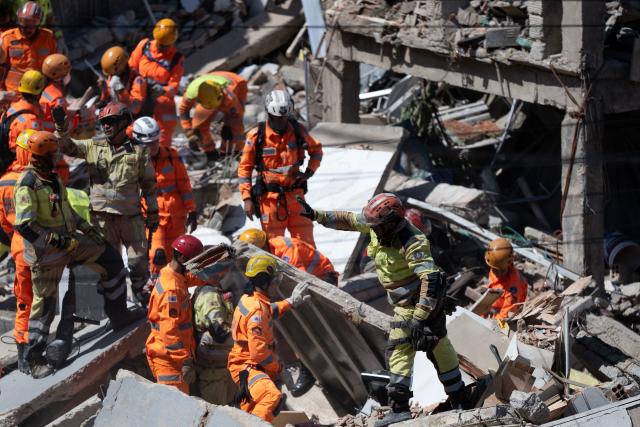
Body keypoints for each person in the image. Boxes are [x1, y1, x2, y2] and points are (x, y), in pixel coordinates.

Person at [298, 193, 467, 426]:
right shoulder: (377, 226)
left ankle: (399, 408)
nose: (372, 230)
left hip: (417, 303)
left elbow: (430, 279)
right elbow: (348, 220)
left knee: (399, 349)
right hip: (408, 303)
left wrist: (419, 318)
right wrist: (316, 215)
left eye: (377, 226)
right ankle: (459, 396)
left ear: (392, 222)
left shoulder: (412, 241)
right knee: (439, 345)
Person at [14, 130, 141, 378]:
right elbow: (25, 226)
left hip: (70, 244)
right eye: (53, 154)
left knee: (110, 259)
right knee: (44, 309)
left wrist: (88, 231)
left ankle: (118, 314)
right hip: (46, 255)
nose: (57, 158)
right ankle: (34, 359)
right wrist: (59, 241)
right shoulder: (27, 184)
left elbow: (68, 212)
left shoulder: (53, 179)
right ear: (41, 156)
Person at [54, 102, 158, 306]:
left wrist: (153, 214)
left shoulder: (139, 152)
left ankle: (142, 297)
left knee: (138, 263)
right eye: (103, 122)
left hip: (131, 218)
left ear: (124, 121)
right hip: (102, 219)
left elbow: (149, 186)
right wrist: (61, 127)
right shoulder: (93, 147)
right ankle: (116, 308)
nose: (106, 126)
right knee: (112, 265)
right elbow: (66, 146)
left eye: (111, 121)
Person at [238, 227, 337, 397]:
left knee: (306, 323)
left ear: (263, 247)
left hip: (321, 278)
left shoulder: (286, 250)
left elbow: (297, 280)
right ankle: (306, 363)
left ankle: (309, 369)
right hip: (303, 283)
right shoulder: (266, 254)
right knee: (287, 319)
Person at [228, 254, 311, 422]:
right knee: (272, 398)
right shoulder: (256, 311)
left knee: (252, 407)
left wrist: (290, 302)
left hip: (246, 365)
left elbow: (269, 311)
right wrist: (279, 368)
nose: (277, 284)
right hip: (248, 365)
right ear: (264, 281)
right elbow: (258, 352)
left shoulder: (250, 299)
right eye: (275, 280)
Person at [238, 89, 322, 247]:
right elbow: (244, 169)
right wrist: (247, 198)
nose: (282, 121)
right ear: (269, 114)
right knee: (275, 245)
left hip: (296, 196)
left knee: (306, 244)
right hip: (269, 200)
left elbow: (316, 150)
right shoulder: (257, 136)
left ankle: (311, 271)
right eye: (277, 118)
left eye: (284, 117)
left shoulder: (298, 131)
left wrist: (309, 172)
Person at [132, 116, 197, 278]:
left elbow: (184, 185)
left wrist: (192, 210)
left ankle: (177, 290)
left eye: (155, 142)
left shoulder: (171, 156)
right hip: (153, 219)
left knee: (178, 258)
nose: (153, 147)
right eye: (148, 144)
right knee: (157, 256)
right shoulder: (133, 163)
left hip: (177, 218)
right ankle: (157, 290)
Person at [146, 235, 205, 393]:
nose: (195, 265)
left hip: (171, 355)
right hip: (169, 360)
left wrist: (213, 277)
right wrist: (185, 361)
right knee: (174, 411)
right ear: (182, 258)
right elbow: (169, 332)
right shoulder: (171, 290)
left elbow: (189, 279)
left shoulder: (172, 274)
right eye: (193, 261)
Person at [128, 18, 183, 147]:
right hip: (138, 92)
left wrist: (162, 90)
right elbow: (131, 67)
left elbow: (174, 86)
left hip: (158, 97)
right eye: (161, 45)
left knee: (167, 112)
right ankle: (128, 144)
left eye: (167, 46)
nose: (164, 48)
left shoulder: (176, 58)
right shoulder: (144, 46)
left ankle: (161, 151)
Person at [178, 71, 247, 159]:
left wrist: (227, 126)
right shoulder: (191, 95)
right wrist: (189, 133)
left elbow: (237, 116)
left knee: (235, 126)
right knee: (198, 127)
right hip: (209, 87)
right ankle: (210, 152)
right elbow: (183, 111)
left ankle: (235, 151)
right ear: (199, 100)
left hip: (238, 83)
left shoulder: (230, 96)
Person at [192, 282, 236, 404]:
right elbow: (219, 330)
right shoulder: (209, 295)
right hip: (212, 374)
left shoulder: (217, 292)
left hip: (223, 369)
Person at [0, 1, 57, 92]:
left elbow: (55, 66)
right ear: (18, 20)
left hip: (40, 91)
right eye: (25, 21)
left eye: (33, 22)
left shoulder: (48, 38)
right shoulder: (7, 38)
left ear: (39, 22)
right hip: (14, 92)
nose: (28, 27)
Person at [484, 238, 527, 321]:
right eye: (492, 268)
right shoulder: (498, 266)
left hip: (508, 311)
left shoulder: (512, 289)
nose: (493, 271)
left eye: (495, 269)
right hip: (496, 302)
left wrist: (493, 322)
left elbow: (507, 313)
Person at [1, 69, 44, 153]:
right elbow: (29, 152)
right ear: (39, 92)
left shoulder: (12, 106)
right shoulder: (30, 121)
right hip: (14, 161)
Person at [99, 46, 146, 115]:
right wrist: (104, 90)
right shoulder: (114, 76)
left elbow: (135, 108)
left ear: (121, 70)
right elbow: (110, 95)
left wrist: (121, 91)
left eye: (112, 74)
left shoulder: (137, 81)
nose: (110, 76)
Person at [39, 53, 71, 132]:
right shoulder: (58, 97)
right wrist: (78, 118)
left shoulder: (43, 86)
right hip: (52, 134)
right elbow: (64, 125)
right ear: (62, 76)